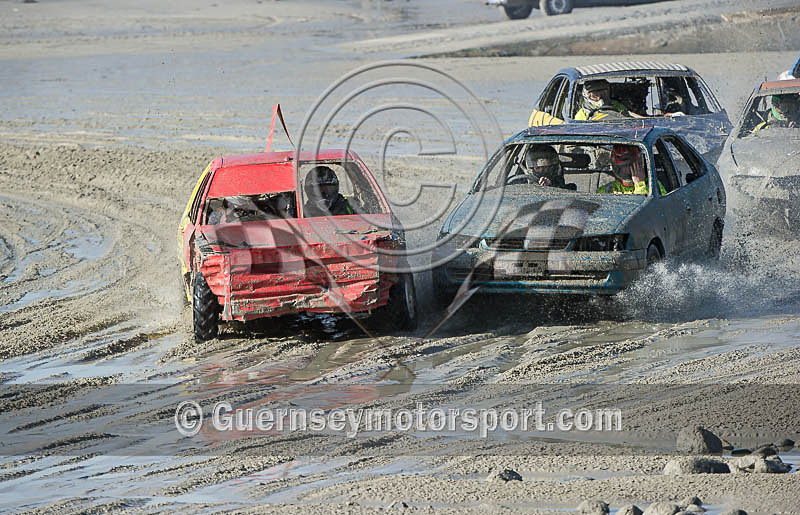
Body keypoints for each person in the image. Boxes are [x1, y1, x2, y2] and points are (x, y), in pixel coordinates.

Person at [597, 145, 666, 195]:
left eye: (628, 165)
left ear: (638, 164)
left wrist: (640, 184)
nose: (625, 170)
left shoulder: (654, 186)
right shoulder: (606, 190)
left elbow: (647, 211)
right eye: (622, 167)